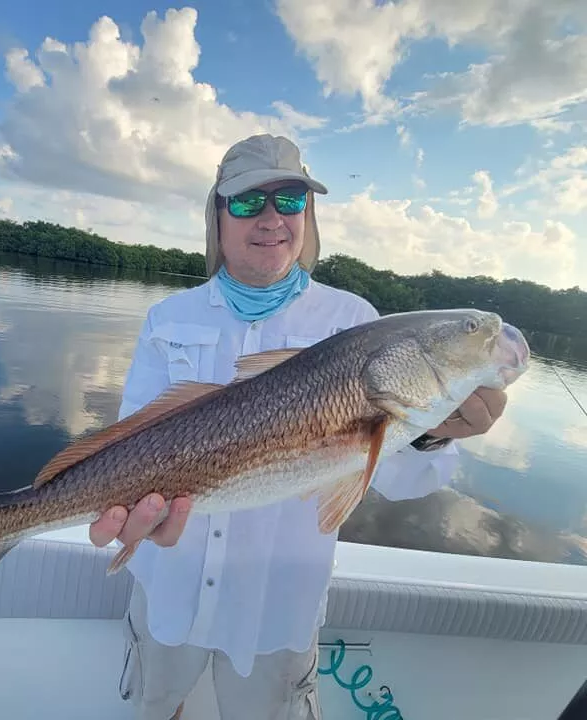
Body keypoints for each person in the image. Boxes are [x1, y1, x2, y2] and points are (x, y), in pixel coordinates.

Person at [89, 133, 508, 720]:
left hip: (276, 610)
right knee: (158, 709)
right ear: (216, 215)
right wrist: (132, 506)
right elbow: (131, 441)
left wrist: (436, 433)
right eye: (246, 202)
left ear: (308, 215)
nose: (271, 219)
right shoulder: (168, 317)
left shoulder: (355, 323)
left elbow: (401, 482)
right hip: (168, 591)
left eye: (290, 201)